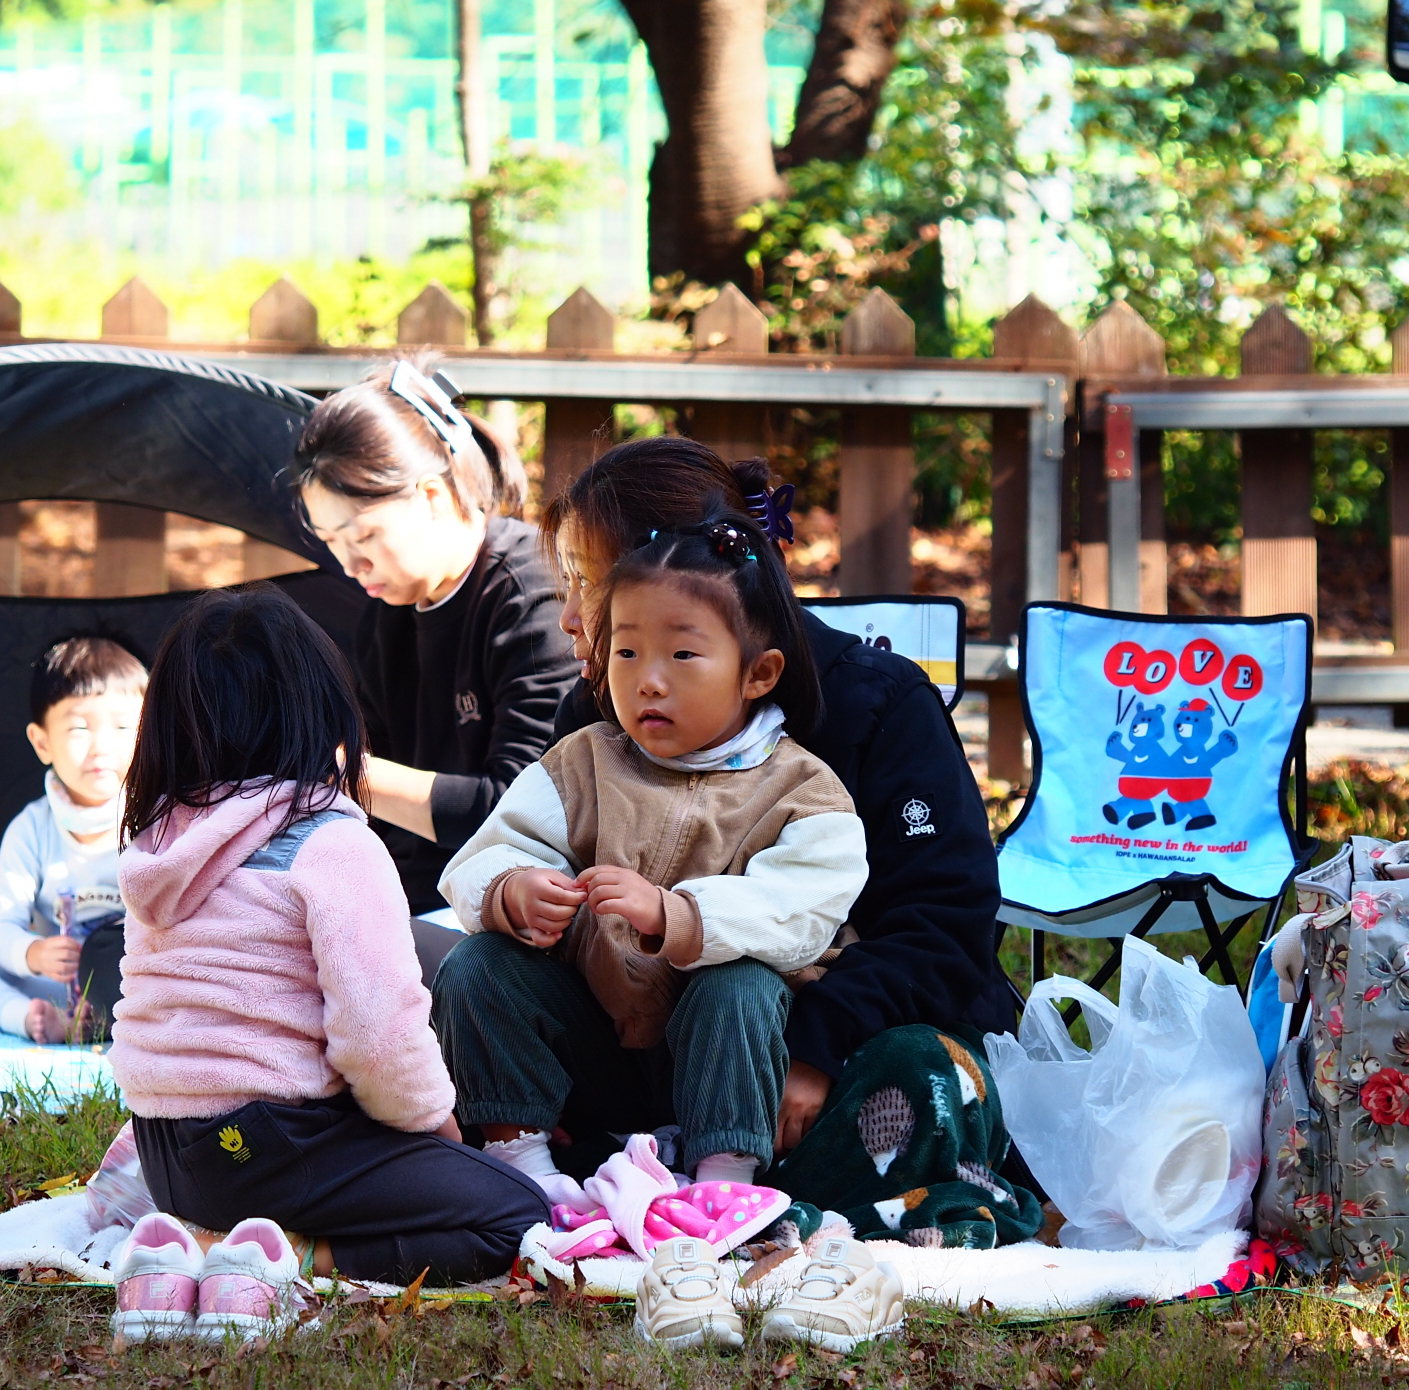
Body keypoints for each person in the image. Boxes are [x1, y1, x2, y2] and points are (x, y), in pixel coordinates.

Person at [538, 440, 1026, 1189]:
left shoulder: (877, 703)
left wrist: (814, 1049)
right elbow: (545, 879)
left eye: (589, 582)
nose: (570, 617)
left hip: (843, 1039)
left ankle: (725, 1180)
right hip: (654, 1043)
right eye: (566, 583)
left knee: (917, 1075)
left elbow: (945, 927)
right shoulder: (598, 710)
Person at [106, 587, 548, 1291]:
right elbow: (378, 1032)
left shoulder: (165, 838)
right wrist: (435, 1126)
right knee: (517, 1214)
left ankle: (203, 1223)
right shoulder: (329, 841)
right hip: (267, 1145)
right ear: (322, 711)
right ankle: (283, 1254)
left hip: (164, 1147)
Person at [433, 513, 868, 1197]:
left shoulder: (803, 791)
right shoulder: (583, 762)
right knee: (478, 964)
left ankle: (723, 1184)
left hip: (727, 1065)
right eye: (628, 653)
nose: (649, 681)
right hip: (596, 1048)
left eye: (682, 655)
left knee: (741, 981)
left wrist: (675, 915)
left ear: (758, 674)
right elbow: (489, 851)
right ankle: (525, 1168)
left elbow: (800, 913)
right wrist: (511, 889)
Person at [291, 359, 581, 946]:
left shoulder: (531, 594)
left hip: (513, 909)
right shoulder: (386, 616)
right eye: (332, 543)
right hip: (403, 900)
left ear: (431, 495)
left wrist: (338, 771)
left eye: (364, 536)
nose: (350, 565)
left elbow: (518, 809)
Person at [0, 634, 145, 1042]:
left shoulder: (157, 819)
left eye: (123, 726)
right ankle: (32, 1020)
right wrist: (33, 954)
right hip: (57, 989)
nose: (101, 746)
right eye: (79, 728)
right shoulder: (32, 829)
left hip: (135, 984)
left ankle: (121, 1023)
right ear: (42, 742)